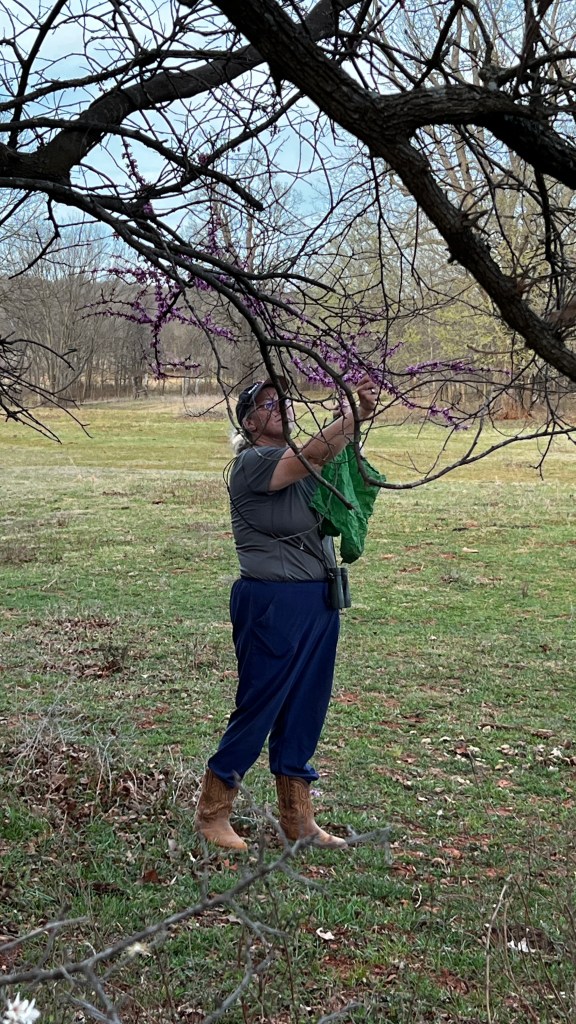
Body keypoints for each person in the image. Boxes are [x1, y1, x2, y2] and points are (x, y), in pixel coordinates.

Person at [195, 374, 378, 850]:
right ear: (249, 421)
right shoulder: (252, 464)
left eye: (281, 399)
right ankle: (213, 810)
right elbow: (316, 454)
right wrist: (351, 417)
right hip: (272, 602)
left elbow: (330, 461)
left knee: (306, 707)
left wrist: (359, 419)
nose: (278, 406)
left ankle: (298, 820)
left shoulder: (298, 463)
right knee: (261, 705)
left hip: (319, 600)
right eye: (266, 403)